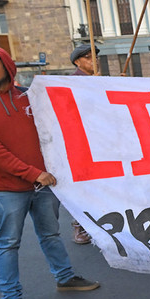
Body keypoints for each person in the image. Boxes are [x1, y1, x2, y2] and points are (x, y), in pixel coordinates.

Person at [0, 44, 99, 299]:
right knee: (8, 244)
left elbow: (60, 127)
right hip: (4, 188)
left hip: (43, 183)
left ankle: (65, 277)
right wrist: (32, 172)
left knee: (51, 234)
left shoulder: (28, 97)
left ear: (6, 65)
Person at [66, 44, 100, 244]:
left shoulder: (99, 80)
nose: (93, 61)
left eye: (95, 57)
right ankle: (79, 226)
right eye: (88, 57)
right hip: (79, 145)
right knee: (82, 187)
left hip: (101, 142)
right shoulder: (70, 82)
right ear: (77, 61)